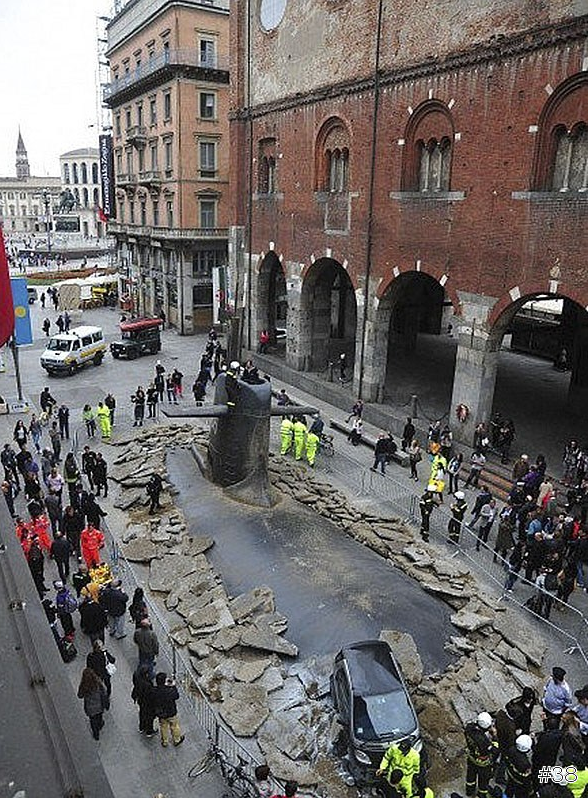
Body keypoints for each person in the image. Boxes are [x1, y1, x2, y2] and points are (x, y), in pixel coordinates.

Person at [464, 712, 497, 798]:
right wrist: (495, 738)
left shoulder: (469, 727)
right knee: (483, 782)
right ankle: (481, 795)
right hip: (483, 763)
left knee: (470, 776)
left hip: (471, 757)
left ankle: (469, 791)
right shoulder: (484, 741)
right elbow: (495, 751)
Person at [154, 672, 184, 748]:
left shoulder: (155, 690)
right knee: (174, 726)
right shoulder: (169, 691)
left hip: (161, 713)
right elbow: (176, 696)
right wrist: (173, 686)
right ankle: (177, 740)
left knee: (163, 727)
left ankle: (165, 741)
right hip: (171, 712)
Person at [77, 667, 109, 740]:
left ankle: (96, 734)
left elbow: (80, 695)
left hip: (90, 708)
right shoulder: (98, 682)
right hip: (99, 706)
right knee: (99, 716)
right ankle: (100, 724)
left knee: (92, 721)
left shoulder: (83, 686)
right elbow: (104, 693)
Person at [132, 664, 156, 737]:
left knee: (142, 712)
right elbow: (150, 694)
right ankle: (149, 731)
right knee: (149, 716)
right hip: (147, 701)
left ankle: (141, 727)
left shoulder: (136, 676)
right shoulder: (147, 684)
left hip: (140, 698)